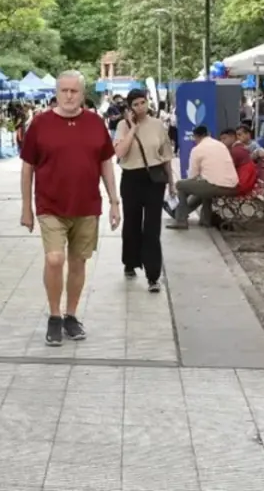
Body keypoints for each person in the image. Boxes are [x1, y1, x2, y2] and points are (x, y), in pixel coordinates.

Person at [20, 70, 119, 346]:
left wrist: (114, 201)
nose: (68, 96)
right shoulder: (40, 124)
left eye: (74, 91)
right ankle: (54, 315)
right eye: (63, 90)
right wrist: (26, 207)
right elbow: (27, 167)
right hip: (50, 204)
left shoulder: (95, 123)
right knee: (55, 259)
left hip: (87, 205)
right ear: (56, 92)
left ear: (82, 93)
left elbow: (106, 164)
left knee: (78, 262)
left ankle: (71, 315)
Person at [112, 88, 174, 293]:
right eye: (135, 104)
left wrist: (172, 183)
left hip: (154, 179)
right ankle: (130, 263)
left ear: (148, 103)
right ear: (130, 107)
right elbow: (120, 152)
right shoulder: (122, 125)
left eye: (142, 103)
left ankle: (153, 275)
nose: (140, 107)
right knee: (132, 223)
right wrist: (132, 128)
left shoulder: (158, 125)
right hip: (131, 178)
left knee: (152, 227)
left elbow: (165, 156)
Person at [170, 125, 238, 229]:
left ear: (196, 137)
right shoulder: (220, 145)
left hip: (215, 185)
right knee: (205, 185)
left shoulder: (197, 149)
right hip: (232, 186)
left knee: (181, 185)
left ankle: (181, 220)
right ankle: (205, 219)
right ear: (208, 134)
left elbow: (192, 176)